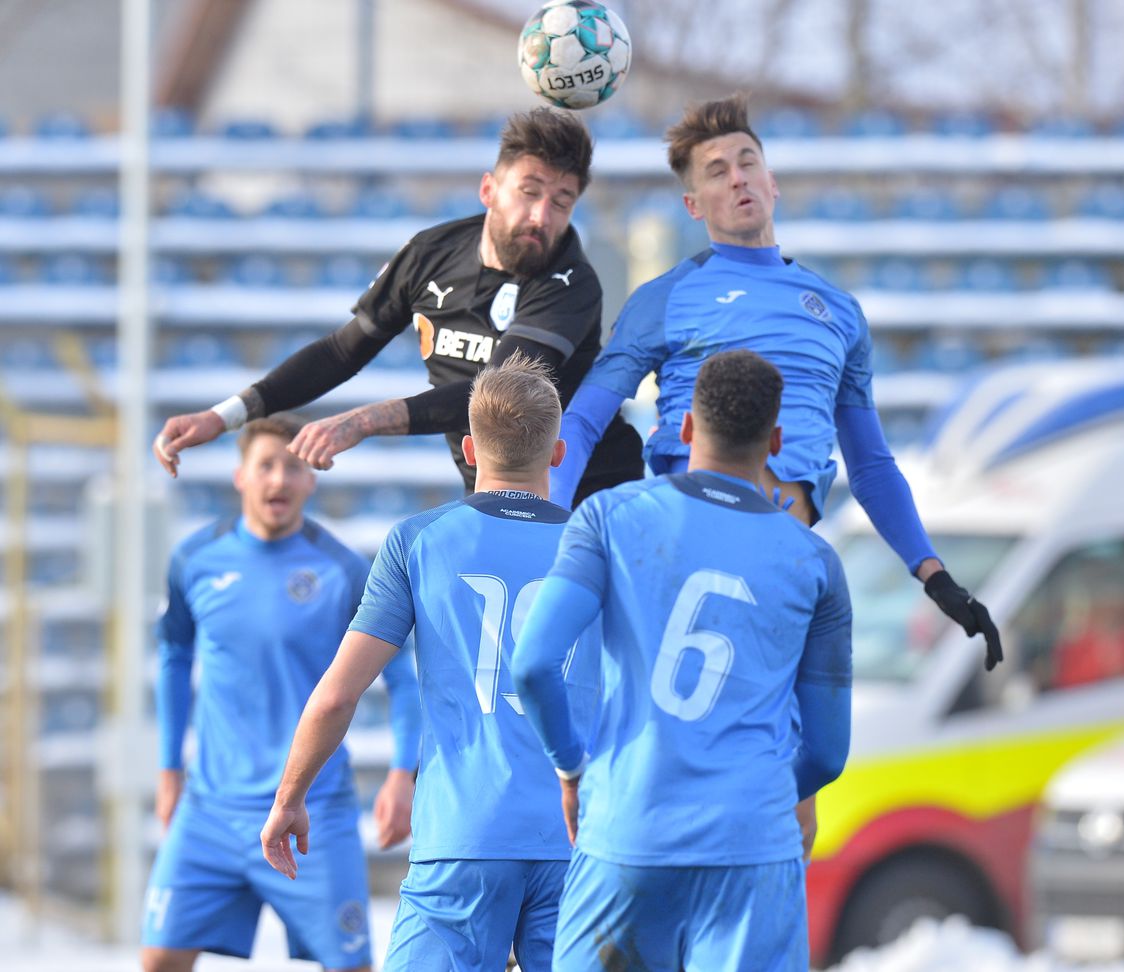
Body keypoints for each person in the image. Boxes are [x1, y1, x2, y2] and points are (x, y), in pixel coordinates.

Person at [548, 93, 1001, 672]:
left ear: (772, 182)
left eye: (748, 162)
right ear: (693, 205)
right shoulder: (664, 299)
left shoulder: (839, 313)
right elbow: (583, 421)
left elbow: (871, 466)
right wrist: (549, 524)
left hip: (786, 565)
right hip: (682, 552)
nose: (738, 178)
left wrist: (933, 574)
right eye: (717, 171)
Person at [512, 349, 853, 971]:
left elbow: (533, 664)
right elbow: (828, 753)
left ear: (687, 428)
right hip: (751, 847)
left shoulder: (610, 517)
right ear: (775, 442)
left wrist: (572, 772)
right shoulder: (815, 562)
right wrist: (764, 796)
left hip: (628, 828)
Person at [261, 354, 597, 972]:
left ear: (469, 448)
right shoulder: (600, 545)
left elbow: (337, 696)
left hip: (463, 838)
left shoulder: (419, 540)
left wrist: (290, 797)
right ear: (557, 453)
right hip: (581, 840)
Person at [152, 107, 643, 506]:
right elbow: (341, 351)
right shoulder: (431, 254)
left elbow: (496, 394)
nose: (540, 215)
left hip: (591, 493)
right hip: (493, 494)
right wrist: (224, 416)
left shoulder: (570, 283)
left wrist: (361, 422)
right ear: (489, 190)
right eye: (529, 192)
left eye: (561, 202)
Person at [142, 415, 420, 972]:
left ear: (311, 478)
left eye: (292, 467)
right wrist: (169, 770)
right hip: (210, 809)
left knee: (351, 966)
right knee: (158, 960)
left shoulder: (342, 570)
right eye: (265, 465)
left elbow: (402, 679)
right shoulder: (196, 559)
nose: (279, 479)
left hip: (314, 812)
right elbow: (174, 658)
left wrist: (402, 774)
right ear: (241, 476)